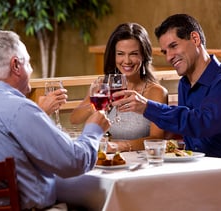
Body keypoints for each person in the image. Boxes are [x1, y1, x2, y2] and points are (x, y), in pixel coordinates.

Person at [0, 30, 110, 210]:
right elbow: (75, 162)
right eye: (29, 62)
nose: (31, 70)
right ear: (16, 65)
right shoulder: (20, 109)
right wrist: (94, 130)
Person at [112, 14, 221, 164]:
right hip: (204, 171)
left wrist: (148, 107)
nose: (169, 57)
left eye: (173, 46)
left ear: (195, 39)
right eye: (165, 52)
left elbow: (202, 124)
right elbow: (188, 131)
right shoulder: (185, 84)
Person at [70, 22, 168, 152]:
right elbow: (74, 119)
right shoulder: (105, 87)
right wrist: (97, 102)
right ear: (113, 56)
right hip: (108, 160)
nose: (126, 61)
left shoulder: (156, 92)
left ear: (143, 55)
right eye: (120, 54)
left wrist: (118, 146)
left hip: (140, 162)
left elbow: (157, 138)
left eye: (133, 54)